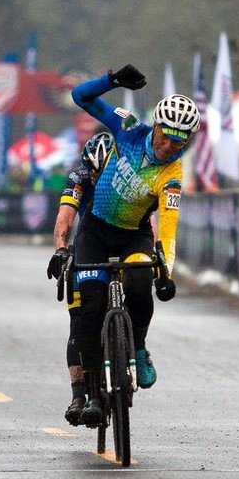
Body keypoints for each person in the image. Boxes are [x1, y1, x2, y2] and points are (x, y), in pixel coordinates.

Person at [61, 64, 193, 428]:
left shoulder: (173, 174)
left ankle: (138, 346)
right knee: (89, 306)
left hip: (134, 234)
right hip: (95, 231)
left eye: (177, 143)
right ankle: (89, 393)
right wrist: (112, 80)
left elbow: (168, 226)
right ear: (157, 127)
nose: (167, 147)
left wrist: (165, 271)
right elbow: (81, 97)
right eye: (165, 137)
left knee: (139, 282)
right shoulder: (130, 127)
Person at [48, 133, 116, 426]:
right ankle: (80, 393)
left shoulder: (125, 176)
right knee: (81, 317)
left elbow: (148, 219)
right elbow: (65, 217)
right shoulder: (79, 177)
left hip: (120, 242)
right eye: (95, 172)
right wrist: (61, 250)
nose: (99, 177)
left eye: (106, 172)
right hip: (88, 243)